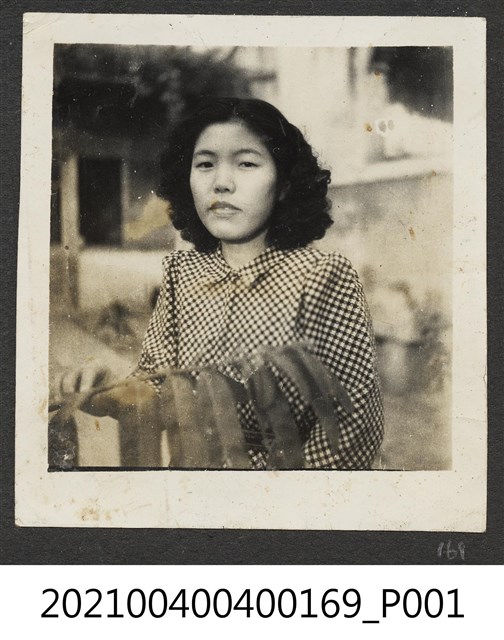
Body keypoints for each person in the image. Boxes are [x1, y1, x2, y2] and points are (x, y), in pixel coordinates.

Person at [63, 97, 384, 469]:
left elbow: (352, 427)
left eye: (246, 163)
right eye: (205, 164)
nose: (221, 183)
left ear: (284, 183)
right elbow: (160, 387)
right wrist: (109, 390)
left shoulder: (324, 276)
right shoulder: (182, 274)